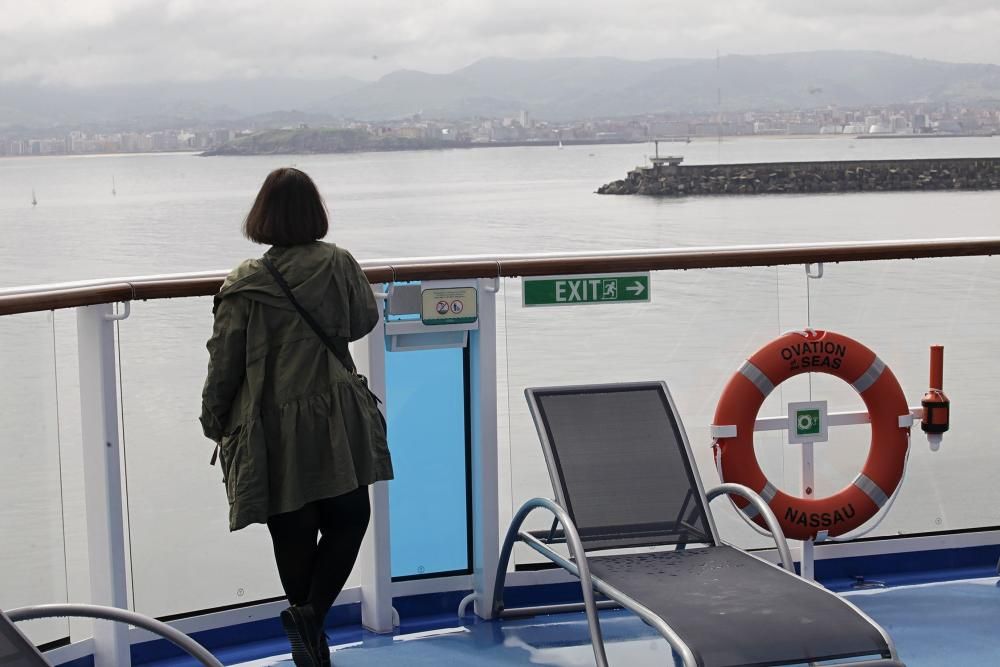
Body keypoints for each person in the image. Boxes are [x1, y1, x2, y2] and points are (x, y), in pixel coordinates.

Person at [200, 167, 393, 667]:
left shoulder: (245, 283)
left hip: (270, 423)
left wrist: (213, 419)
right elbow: (362, 320)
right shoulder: (339, 264)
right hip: (334, 411)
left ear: (261, 216)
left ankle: (308, 628)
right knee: (351, 517)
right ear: (315, 212)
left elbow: (225, 361)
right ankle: (312, 623)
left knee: (292, 529)